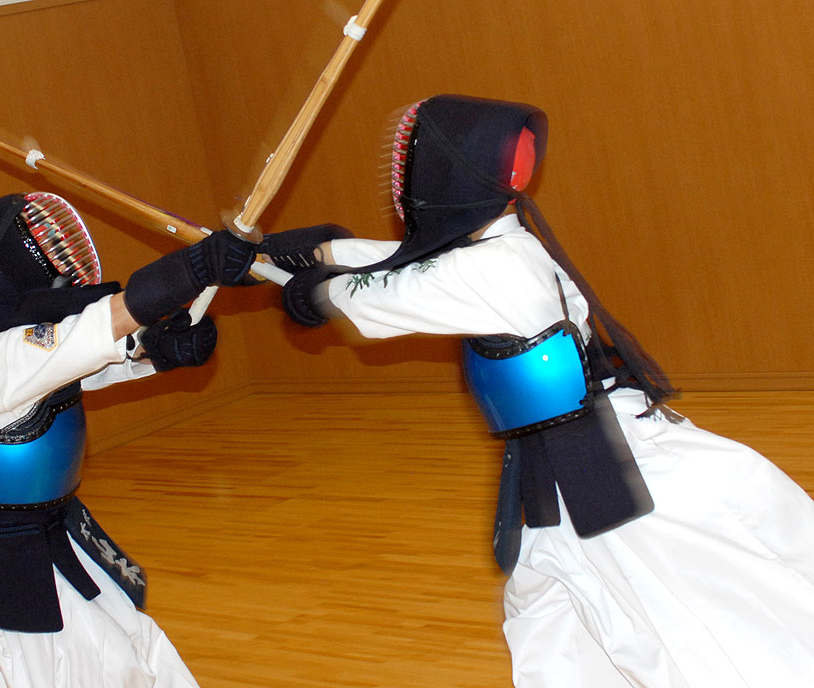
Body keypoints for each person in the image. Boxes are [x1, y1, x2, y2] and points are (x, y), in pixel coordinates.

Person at [263, 95, 814, 687]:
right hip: (572, 460)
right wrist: (309, 254)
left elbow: (368, 295)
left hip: (599, 470)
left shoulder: (488, 270)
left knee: (680, 625)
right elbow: (411, 263)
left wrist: (302, 281)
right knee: (558, 611)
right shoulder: (505, 242)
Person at [0, 191, 260, 688]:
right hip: (9, 552)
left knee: (118, 644)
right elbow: (102, 326)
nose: (66, 264)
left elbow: (92, 367)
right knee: (44, 669)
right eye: (49, 254)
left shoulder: (32, 355)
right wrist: (196, 267)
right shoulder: (7, 353)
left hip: (48, 527)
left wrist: (157, 352)